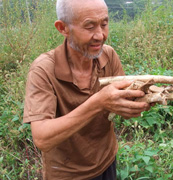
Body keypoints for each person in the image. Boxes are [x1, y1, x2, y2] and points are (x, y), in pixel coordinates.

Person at [23, 0, 151, 179]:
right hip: (67, 174)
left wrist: (144, 98)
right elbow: (42, 138)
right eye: (89, 27)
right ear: (63, 28)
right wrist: (98, 103)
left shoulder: (108, 55)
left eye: (104, 24)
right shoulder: (44, 70)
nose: (100, 35)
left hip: (106, 162)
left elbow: (125, 109)